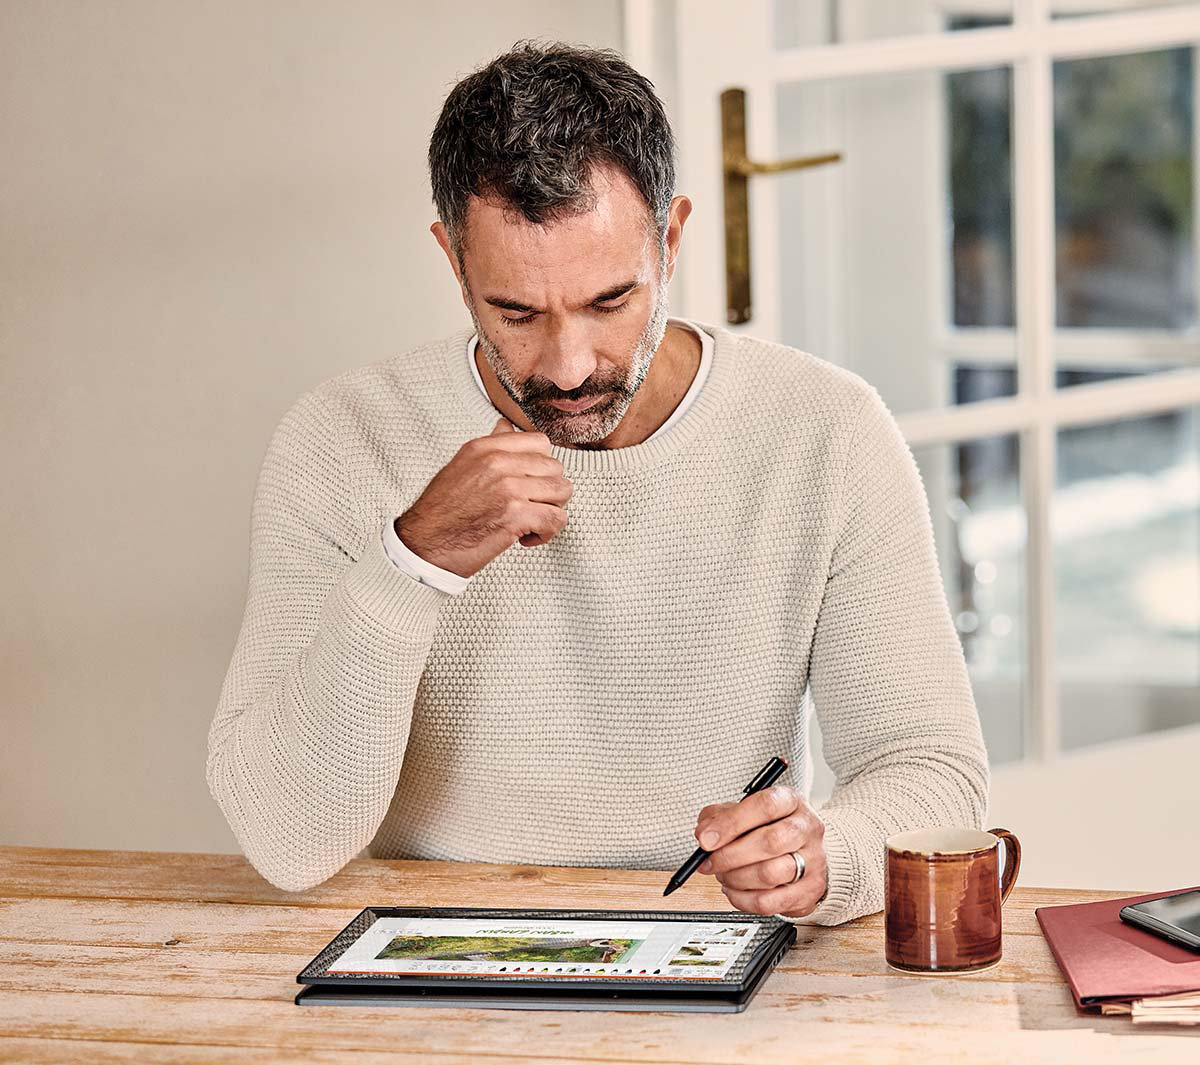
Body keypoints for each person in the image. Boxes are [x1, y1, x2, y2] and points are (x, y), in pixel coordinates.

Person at [205, 39, 989, 925]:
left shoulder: (826, 431)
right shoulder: (342, 439)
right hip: (427, 955)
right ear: (453, 261)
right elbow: (284, 839)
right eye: (517, 312)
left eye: (610, 302)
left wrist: (822, 859)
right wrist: (412, 561)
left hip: (708, 943)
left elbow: (934, 772)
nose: (570, 367)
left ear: (674, 237)